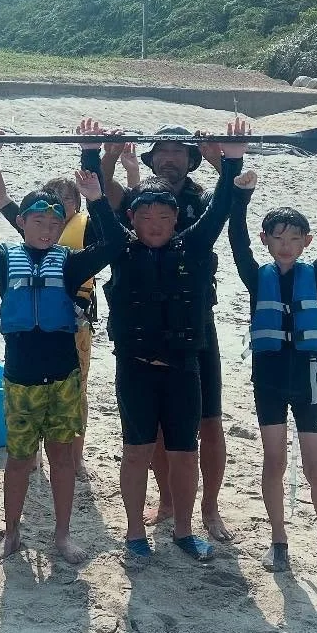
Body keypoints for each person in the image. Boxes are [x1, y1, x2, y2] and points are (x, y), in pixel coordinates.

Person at [0, 154, 126, 564]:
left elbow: (117, 244)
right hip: (21, 379)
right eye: (39, 223)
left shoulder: (69, 264)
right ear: (22, 223)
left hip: (63, 378)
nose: (47, 230)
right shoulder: (3, 262)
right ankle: (12, 533)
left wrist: (98, 200)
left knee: (62, 457)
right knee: (18, 460)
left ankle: (63, 536)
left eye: (55, 225)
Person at [102, 119, 248, 567]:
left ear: (190, 159)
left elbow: (228, 208)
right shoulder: (130, 216)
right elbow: (101, 207)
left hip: (193, 332)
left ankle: (205, 511)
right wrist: (101, 156)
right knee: (147, 438)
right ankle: (160, 509)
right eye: (161, 150)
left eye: (178, 151)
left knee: (206, 424)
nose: (169, 157)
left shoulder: (202, 203)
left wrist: (228, 162)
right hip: (141, 346)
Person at [228, 167, 317, 573]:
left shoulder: (316, 275)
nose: (286, 246)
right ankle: (278, 539)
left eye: (294, 239)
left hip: (309, 379)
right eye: (278, 238)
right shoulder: (255, 276)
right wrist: (241, 197)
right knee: (274, 462)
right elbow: (236, 242)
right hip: (269, 381)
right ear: (266, 241)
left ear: (306, 242)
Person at [0, 120, 107, 477]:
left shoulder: (86, 226)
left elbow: (114, 235)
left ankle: (76, 455)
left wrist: (95, 157)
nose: (64, 205)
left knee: (76, 387)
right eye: (58, 198)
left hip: (76, 317)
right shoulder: (37, 224)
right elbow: (1, 198)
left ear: (77, 201)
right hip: (34, 326)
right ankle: (35, 453)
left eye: (70, 198)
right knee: (35, 389)